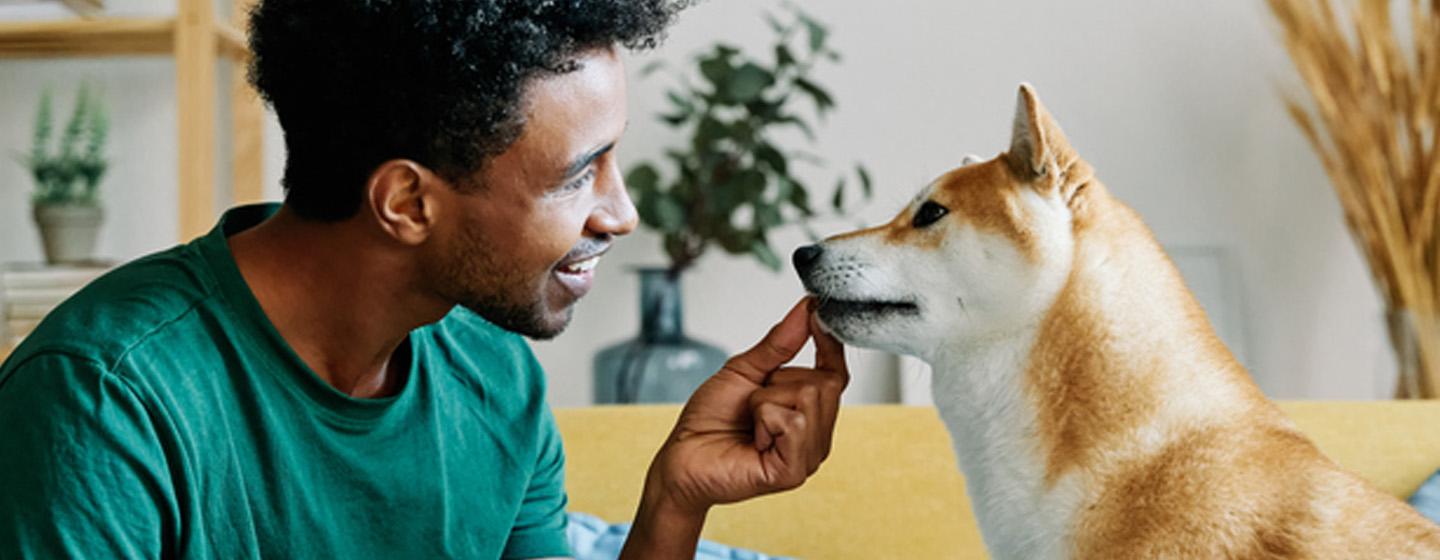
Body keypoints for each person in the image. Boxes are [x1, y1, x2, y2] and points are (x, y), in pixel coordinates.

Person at [0, 1, 850, 558]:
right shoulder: (102, 402)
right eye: (576, 174)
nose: (621, 213)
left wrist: (673, 499)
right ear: (406, 201)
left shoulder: (492, 371)